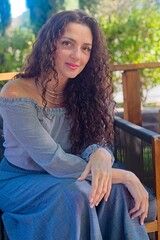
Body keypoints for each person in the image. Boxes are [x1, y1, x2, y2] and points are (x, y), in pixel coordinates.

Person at [0, 9, 150, 240]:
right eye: (67, 43)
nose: (76, 56)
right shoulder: (16, 92)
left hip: (72, 175)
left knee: (117, 191)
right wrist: (127, 175)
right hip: (22, 181)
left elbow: (98, 137)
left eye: (85, 48)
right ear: (49, 45)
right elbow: (52, 160)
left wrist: (100, 153)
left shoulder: (85, 90)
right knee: (80, 194)